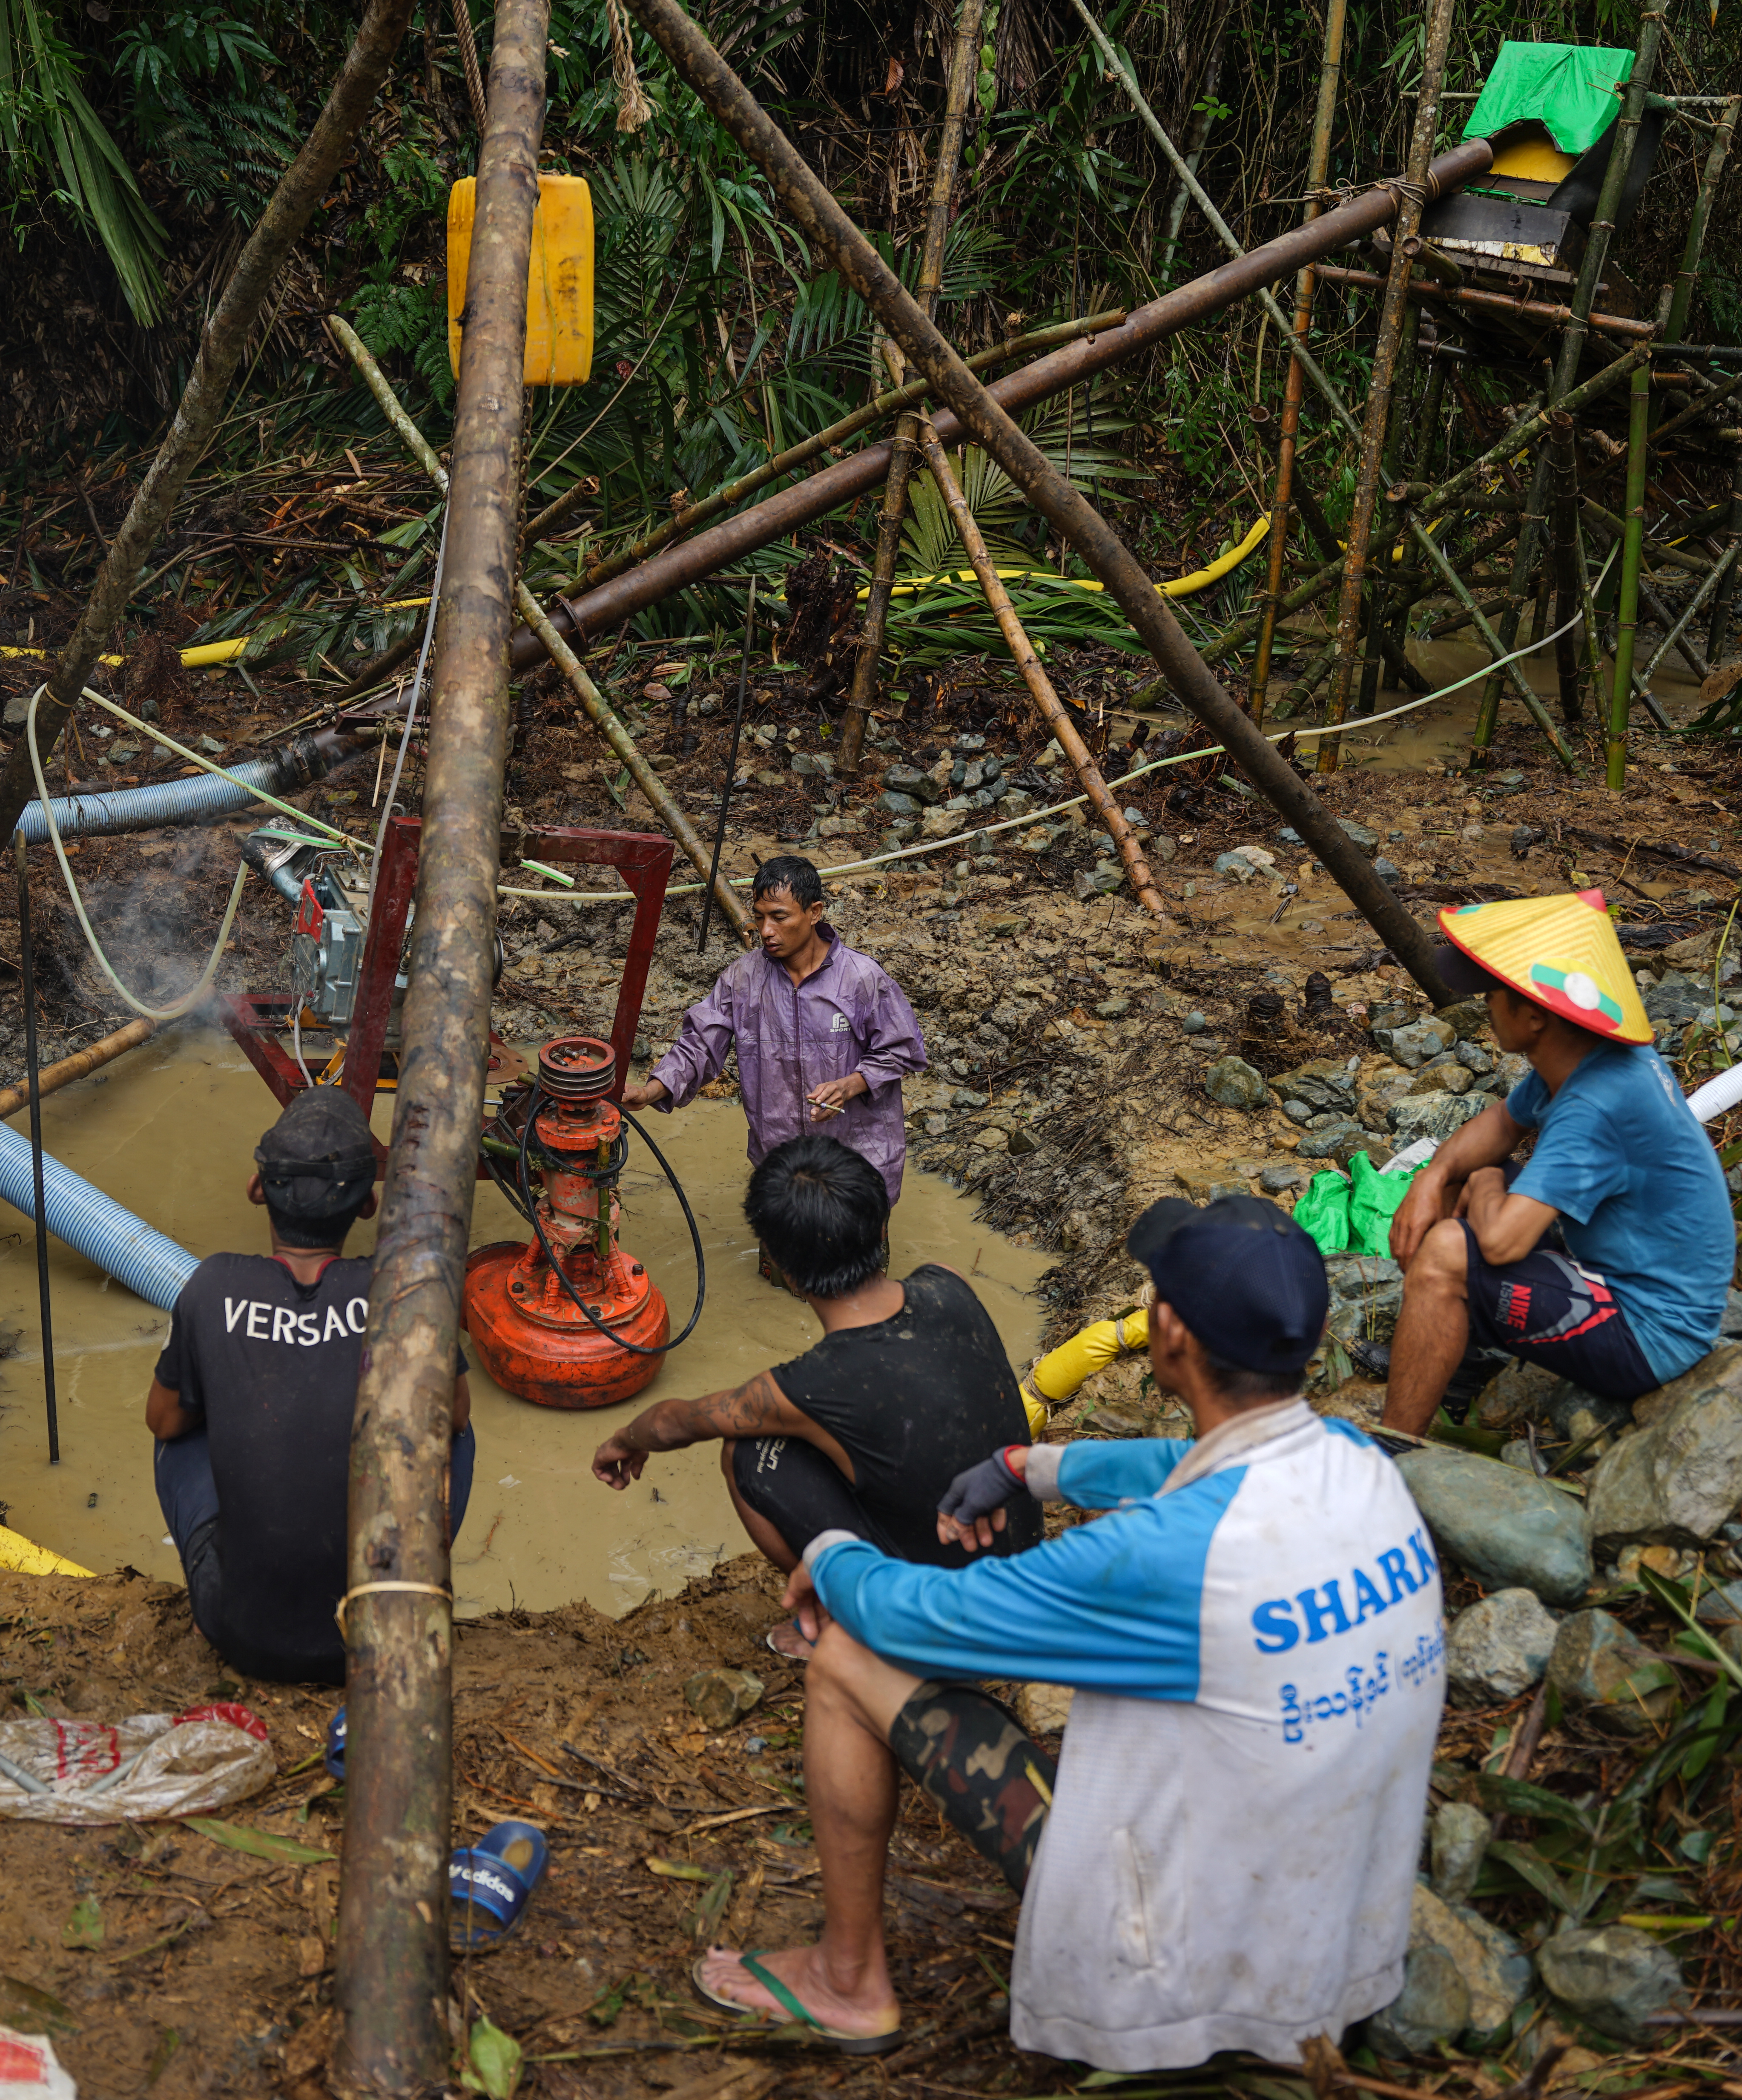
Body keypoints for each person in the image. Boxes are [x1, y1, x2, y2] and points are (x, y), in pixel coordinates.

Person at [702, 1194, 1445, 2066]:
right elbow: (1192, 1467)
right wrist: (1031, 1467)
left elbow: (919, 1617)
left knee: (846, 1653)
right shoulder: (1364, 1466)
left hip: (1184, 1985)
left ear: (1169, 1332)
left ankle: (846, 1980)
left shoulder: (1163, 1555)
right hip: (1338, 1956)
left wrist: (827, 1547)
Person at [591, 1135, 1037, 1638]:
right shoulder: (948, 1282)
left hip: (950, 1618)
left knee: (746, 1452)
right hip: (1025, 1565)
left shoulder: (807, 1387)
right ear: (879, 1221)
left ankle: (836, 1623)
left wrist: (623, 1441)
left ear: (783, 1268)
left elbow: (676, 1422)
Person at [1380, 891, 1737, 1437]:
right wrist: (1433, 1177)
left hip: (1650, 1334)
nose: (1485, 1005)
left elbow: (1501, 1244)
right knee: (1470, 1181)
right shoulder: (1589, 1056)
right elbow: (1503, 1124)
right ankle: (1451, 1355)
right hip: (1640, 1282)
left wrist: (1478, 1181)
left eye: (1494, 995)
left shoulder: (1594, 1105)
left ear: (1533, 1016)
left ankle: (1393, 1443)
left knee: (1450, 1250)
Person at [148, 1088, 474, 1684]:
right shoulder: (403, 1290)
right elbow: (453, 1416)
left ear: (255, 1189)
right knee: (455, 1425)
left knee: (179, 1425)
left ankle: (218, 1597)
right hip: (366, 1635)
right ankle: (409, 1584)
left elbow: (164, 1422)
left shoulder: (212, 1284)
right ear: (370, 1205)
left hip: (241, 1635)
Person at [624, 855, 927, 1204]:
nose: (765, 931)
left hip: (858, 1161)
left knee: (858, 1256)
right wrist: (651, 1092)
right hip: (780, 1161)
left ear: (815, 912)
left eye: (779, 917)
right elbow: (700, 1048)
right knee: (779, 1252)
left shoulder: (862, 978)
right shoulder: (743, 979)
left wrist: (850, 1085)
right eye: (759, 916)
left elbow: (902, 1049)